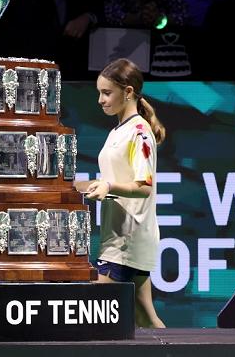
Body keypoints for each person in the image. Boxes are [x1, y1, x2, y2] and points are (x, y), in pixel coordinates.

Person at [77, 58, 166, 328]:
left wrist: (108, 186)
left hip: (127, 240)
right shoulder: (118, 130)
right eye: (99, 93)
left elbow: (144, 186)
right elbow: (110, 181)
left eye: (107, 93)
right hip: (119, 234)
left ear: (128, 92)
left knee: (91, 314)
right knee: (146, 319)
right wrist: (68, 186)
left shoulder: (139, 133)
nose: (101, 100)